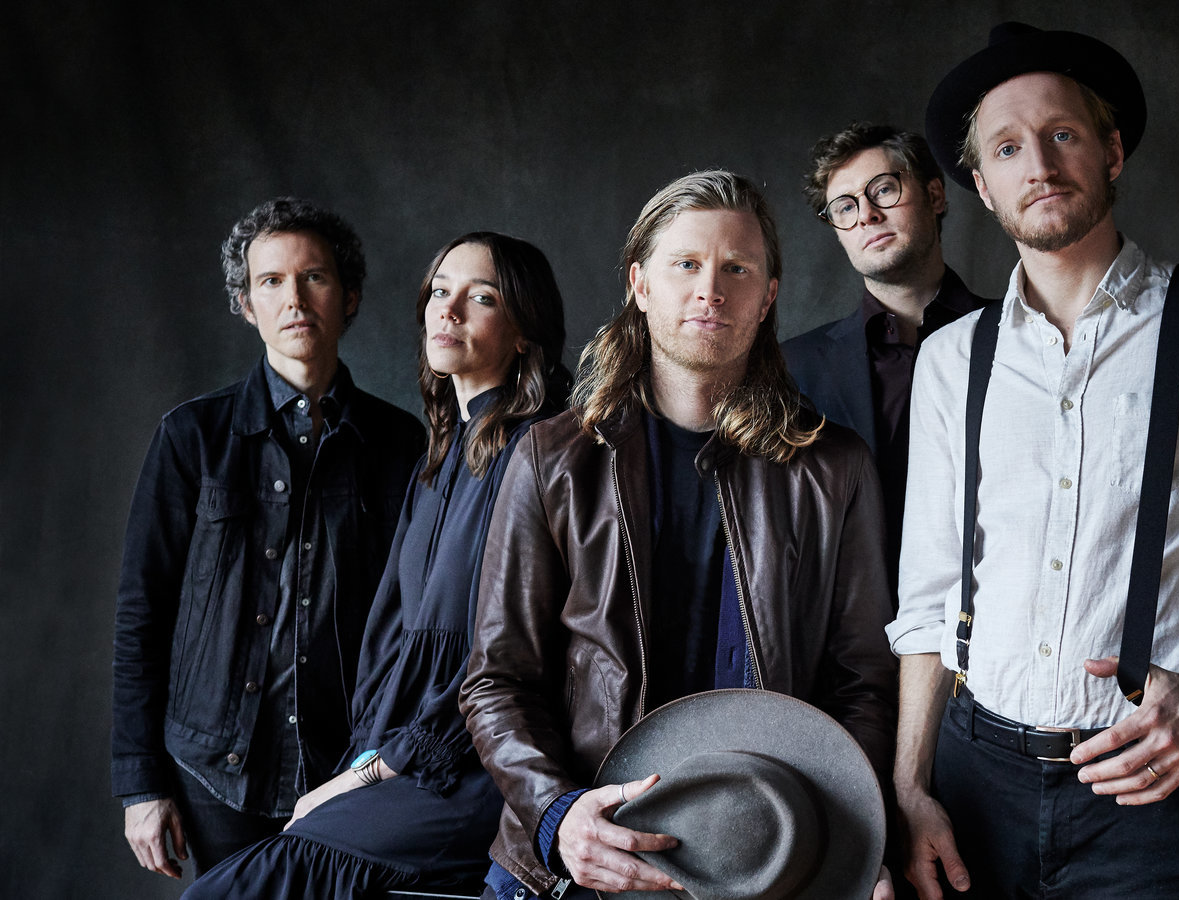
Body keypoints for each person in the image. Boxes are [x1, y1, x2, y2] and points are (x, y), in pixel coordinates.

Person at [889, 23, 1179, 898]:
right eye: (1009, 147)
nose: (1041, 165)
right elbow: (928, 596)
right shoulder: (953, 357)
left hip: (1156, 790)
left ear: (1111, 150)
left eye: (1062, 135)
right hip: (972, 782)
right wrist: (911, 790)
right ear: (982, 186)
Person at [460, 170, 898, 900]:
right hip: (581, 853)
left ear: (769, 296)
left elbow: (863, 683)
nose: (711, 290)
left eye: (737, 268)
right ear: (640, 283)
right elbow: (496, 678)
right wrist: (559, 817)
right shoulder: (552, 458)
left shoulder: (836, 468)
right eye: (686, 264)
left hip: (766, 851)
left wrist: (858, 834)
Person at [181, 233, 572, 897]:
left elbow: (494, 661)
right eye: (439, 292)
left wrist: (358, 778)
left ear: (524, 332)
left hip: (473, 772)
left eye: (481, 297)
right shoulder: (441, 457)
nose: (447, 311)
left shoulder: (535, 453)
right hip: (402, 759)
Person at [112, 198, 425, 878]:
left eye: (313, 277)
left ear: (349, 296)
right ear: (247, 305)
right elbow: (143, 614)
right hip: (215, 769)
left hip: (349, 767)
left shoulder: (399, 444)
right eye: (271, 281)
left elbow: (412, 619)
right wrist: (142, 785)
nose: (294, 298)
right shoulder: (191, 438)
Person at [784, 123, 995, 590]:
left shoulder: (1019, 335)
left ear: (936, 195)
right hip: (850, 645)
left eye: (883, 189)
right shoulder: (792, 369)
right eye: (845, 206)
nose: (866, 215)